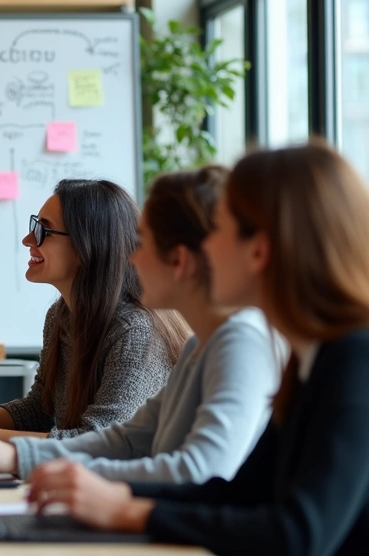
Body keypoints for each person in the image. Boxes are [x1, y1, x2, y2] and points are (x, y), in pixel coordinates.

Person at [23, 142, 369, 554]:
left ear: (258, 251)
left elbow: (297, 535)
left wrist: (128, 511)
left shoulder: (353, 361)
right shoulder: (312, 359)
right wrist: (109, 493)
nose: (203, 246)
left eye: (217, 229)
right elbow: (240, 493)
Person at [0, 166, 281, 483]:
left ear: (180, 260)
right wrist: (10, 452)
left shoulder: (236, 342)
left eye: (142, 243)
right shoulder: (202, 345)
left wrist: (104, 499)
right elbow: (125, 441)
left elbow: (194, 472)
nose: (131, 257)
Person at [0, 179, 190, 442]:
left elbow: (96, 442)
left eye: (43, 230)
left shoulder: (135, 331)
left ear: (86, 246)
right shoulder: (61, 316)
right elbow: (39, 410)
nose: (27, 240)